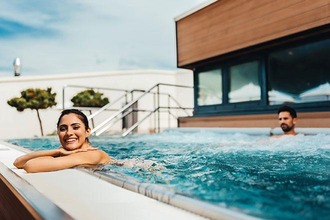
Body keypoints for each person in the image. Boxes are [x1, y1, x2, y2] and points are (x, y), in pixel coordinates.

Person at [13, 109, 111, 173]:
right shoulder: (65, 152)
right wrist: (57, 151)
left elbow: (30, 166)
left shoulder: (94, 154)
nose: (69, 133)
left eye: (75, 127)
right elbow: (18, 162)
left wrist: (57, 153)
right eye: (63, 129)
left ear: (87, 131)